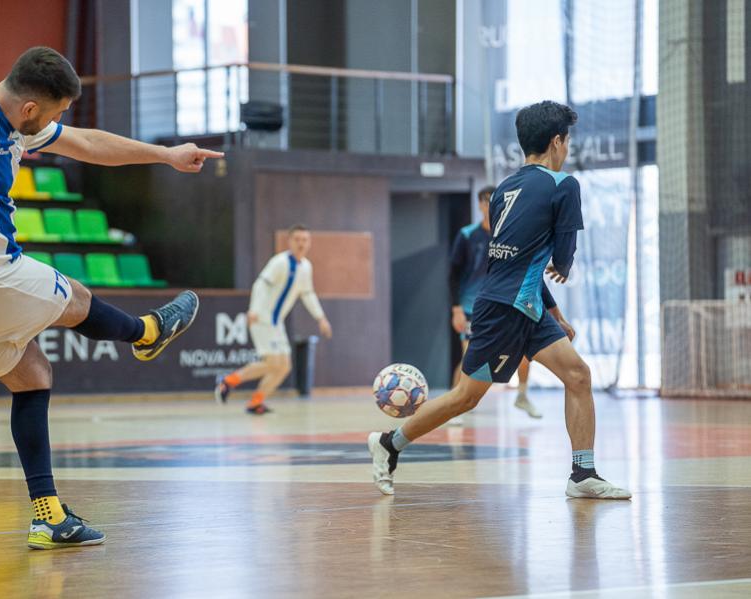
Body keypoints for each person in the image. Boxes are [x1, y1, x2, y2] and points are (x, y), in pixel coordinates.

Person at [0, 47, 223, 549]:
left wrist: (166, 155)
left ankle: (48, 516)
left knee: (32, 374)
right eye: (55, 112)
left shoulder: (15, 118)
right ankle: (146, 334)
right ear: (30, 107)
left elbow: (87, 143)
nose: (57, 121)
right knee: (75, 296)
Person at [368, 100, 630, 500]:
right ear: (557, 142)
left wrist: (554, 313)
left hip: (521, 304)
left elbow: (516, 263)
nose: (567, 149)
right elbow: (562, 258)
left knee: (578, 375)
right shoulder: (564, 186)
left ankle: (583, 474)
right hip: (508, 310)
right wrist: (564, 266)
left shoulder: (506, 188)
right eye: (567, 141)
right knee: (465, 397)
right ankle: (390, 443)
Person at [215, 224, 332, 414]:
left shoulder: (306, 267)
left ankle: (255, 402)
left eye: (304, 240)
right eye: (297, 239)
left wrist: (321, 318)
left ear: (309, 242)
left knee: (284, 367)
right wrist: (254, 309)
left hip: (277, 323)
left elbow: (308, 294)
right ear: (290, 241)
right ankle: (228, 381)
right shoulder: (280, 262)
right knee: (272, 363)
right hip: (262, 318)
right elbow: (260, 284)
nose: (301, 244)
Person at [450, 185, 541, 419]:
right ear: (480, 205)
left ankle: (522, 396)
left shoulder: (510, 234)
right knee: (469, 357)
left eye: (496, 201)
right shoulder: (468, 235)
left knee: (524, 353)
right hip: (473, 307)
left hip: (506, 303)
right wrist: (456, 309)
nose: (491, 206)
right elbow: (453, 274)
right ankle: (452, 406)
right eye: (487, 202)